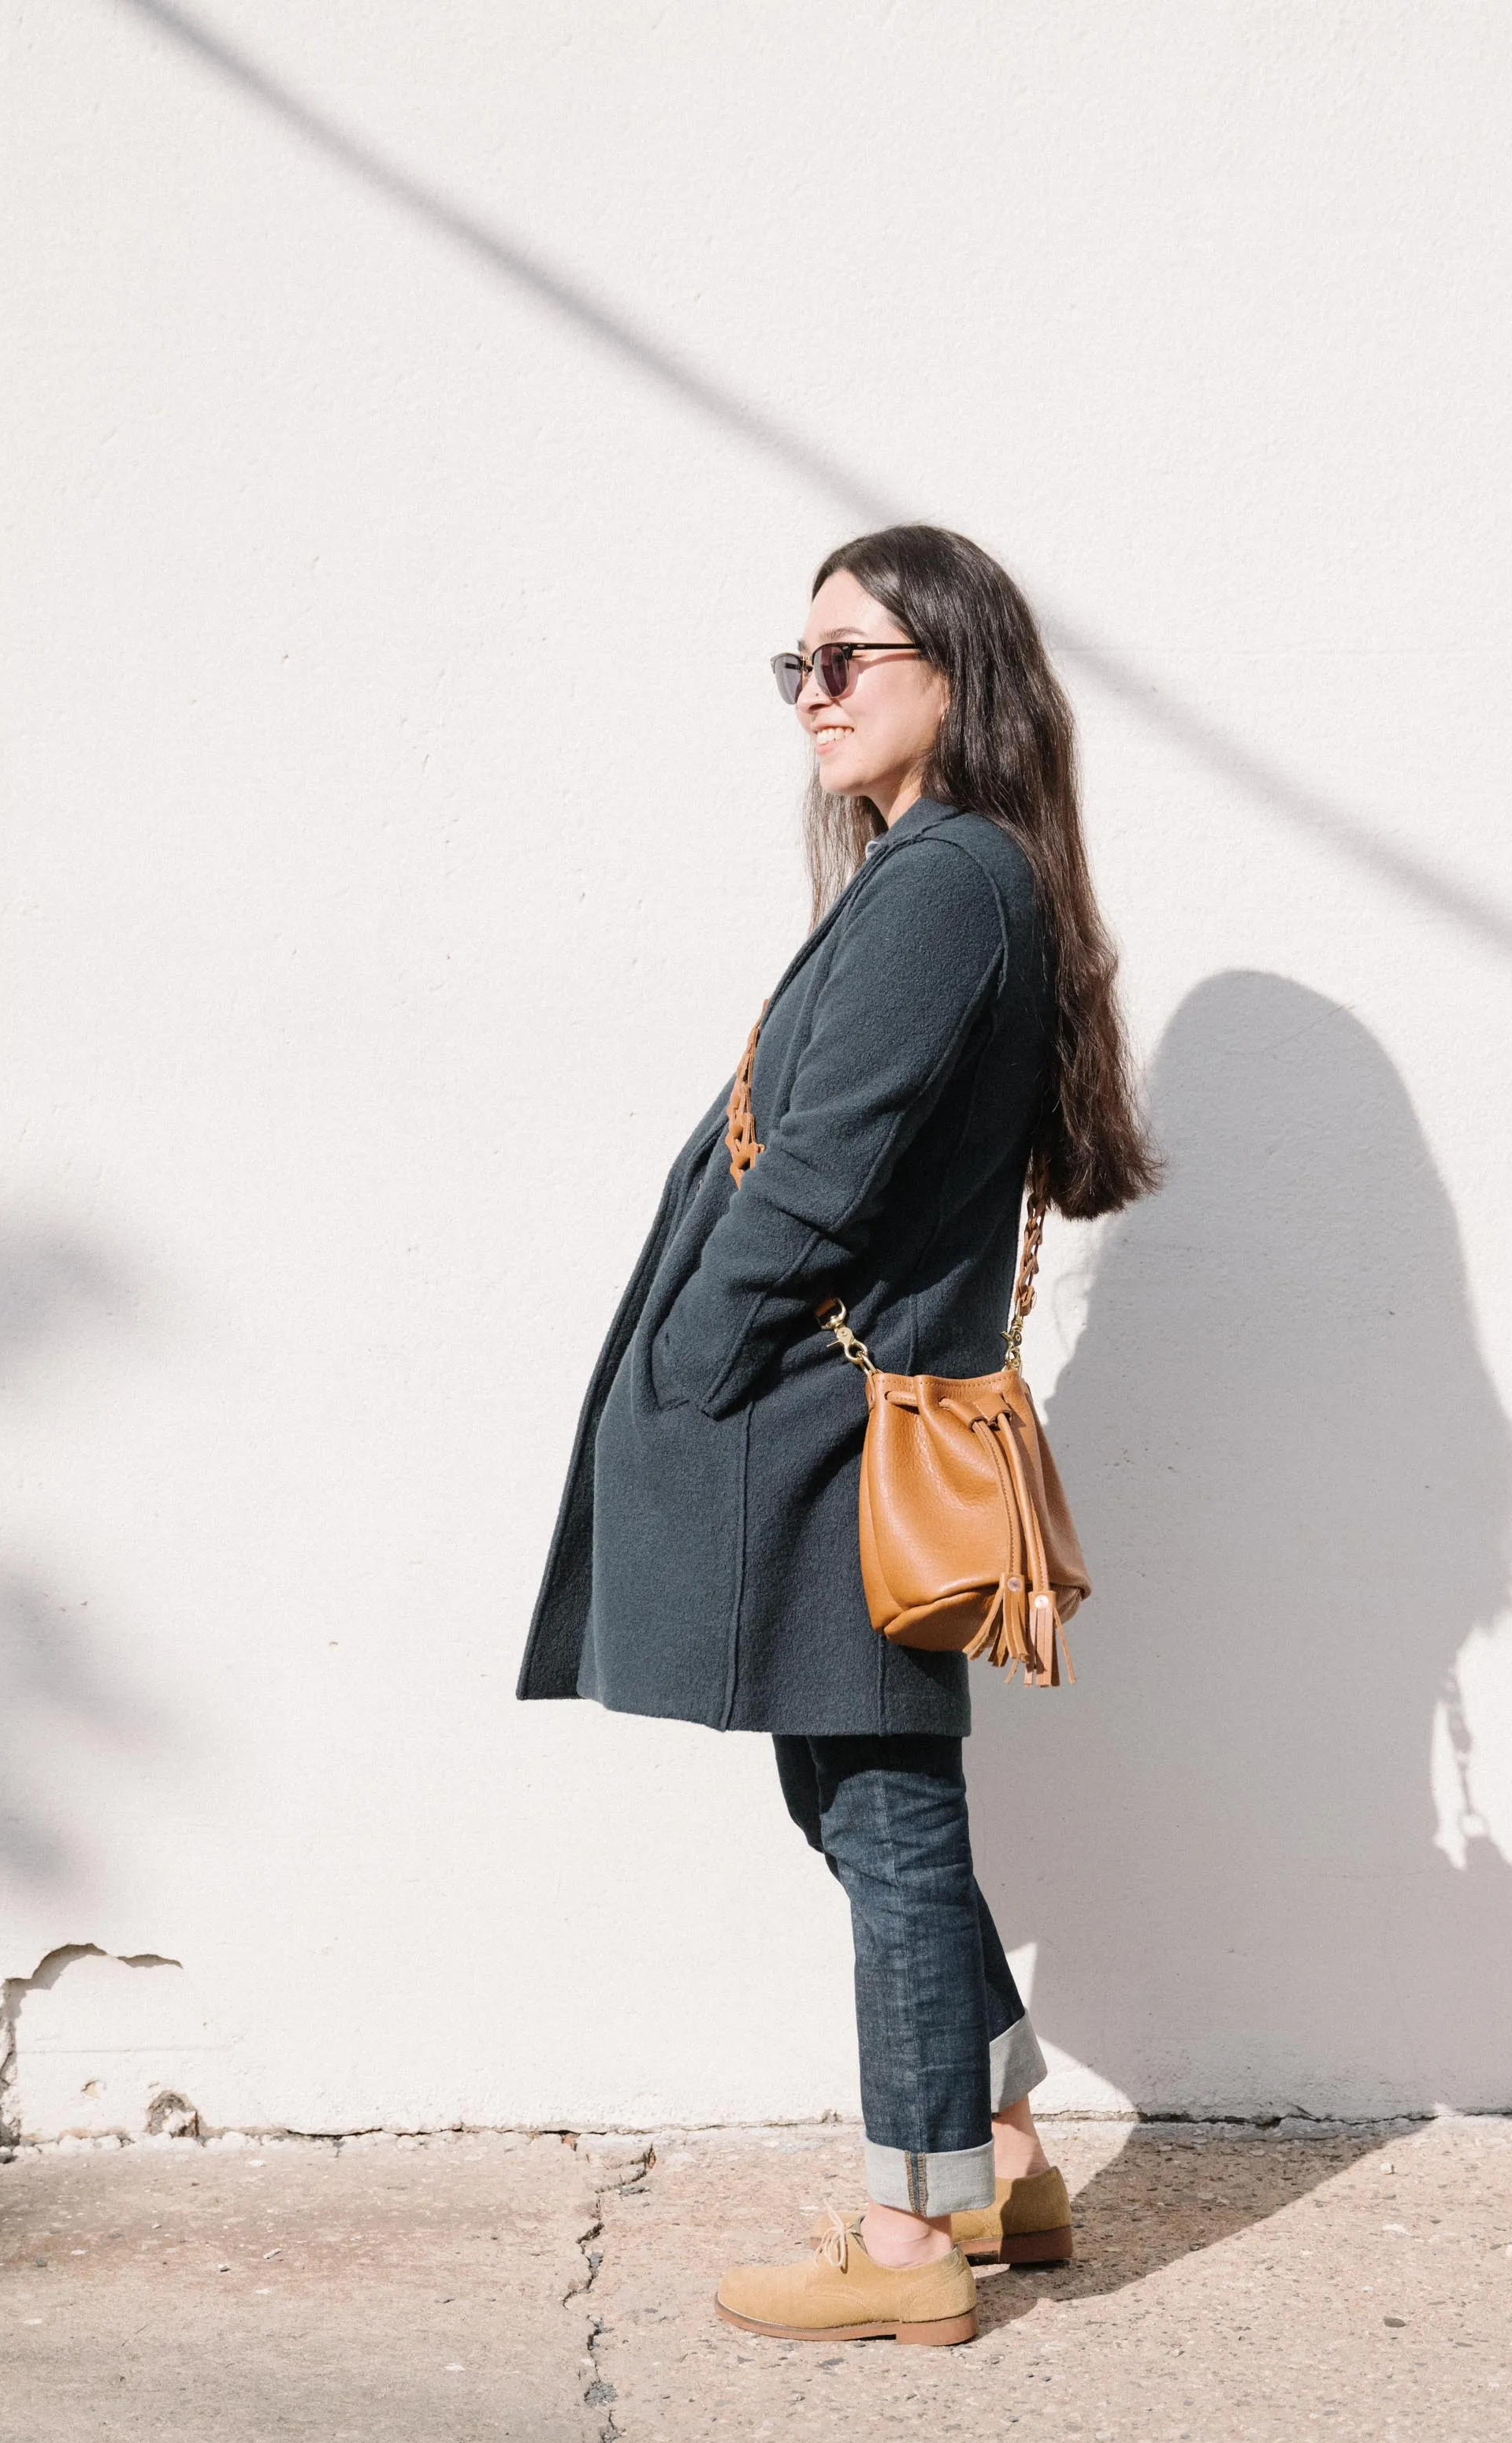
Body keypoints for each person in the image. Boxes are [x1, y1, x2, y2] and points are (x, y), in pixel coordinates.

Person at [518, 525, 1156, 2344]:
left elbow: (826, 1166)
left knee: (880, 1815)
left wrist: (699, 1354)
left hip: (812, 1422)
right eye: (793, 662)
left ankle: (908, 2244)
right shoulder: (952, 876)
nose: (811, 691)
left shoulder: (946, 881)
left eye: (849, 656)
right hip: (826, 1415)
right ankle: (1007, 2152)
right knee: (857, 1799)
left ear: (961, 674)